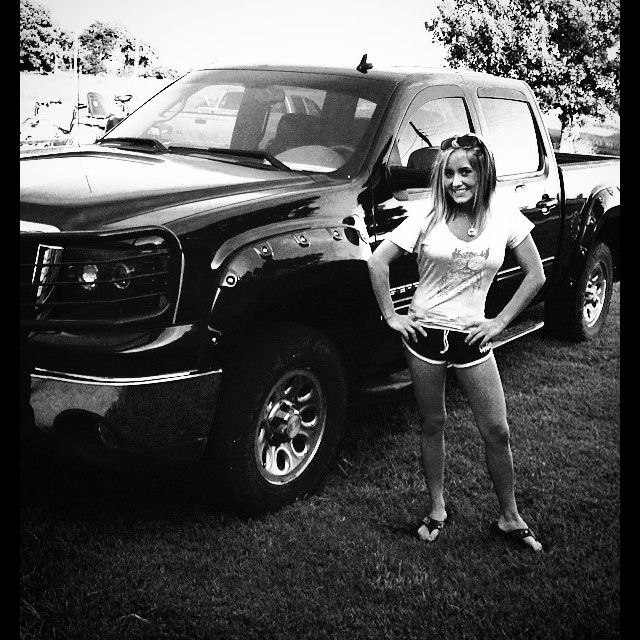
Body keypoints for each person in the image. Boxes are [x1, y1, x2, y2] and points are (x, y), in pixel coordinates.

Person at [368, 133, 545, 552]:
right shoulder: (427, 215)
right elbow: (377, 262)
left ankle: (509, 516)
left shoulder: (504, 215)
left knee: (497, 430)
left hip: (472, 337)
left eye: (465, 171)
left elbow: (535, 274)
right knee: (432, 422)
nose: (455, 181)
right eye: (448, 173)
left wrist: (500, 322)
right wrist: (392, 316)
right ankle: (436, 509)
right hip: (425, 335)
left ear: (483, 173)